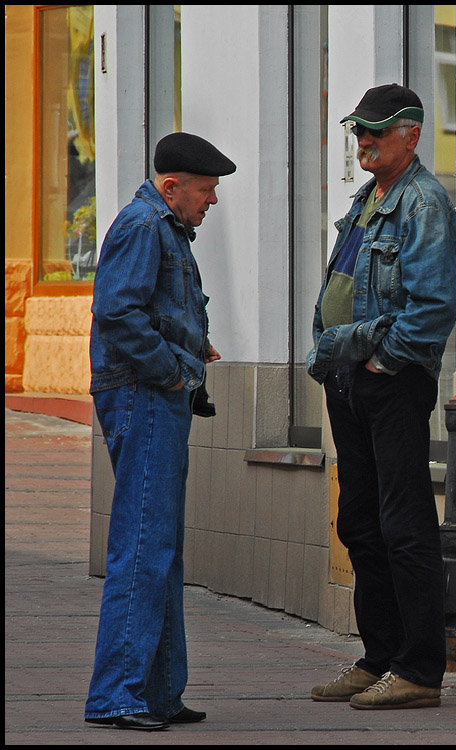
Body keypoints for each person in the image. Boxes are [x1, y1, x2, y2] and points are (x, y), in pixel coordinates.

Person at [306, 84, 456, 709]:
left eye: (376, 131)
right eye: (358, 132)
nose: (364, 141)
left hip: (388, 381)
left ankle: (419, 669)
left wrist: (380, 360)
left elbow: (433, 307)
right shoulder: (368, 199)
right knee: (361, 522)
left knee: (404, 524)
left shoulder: (423, 202)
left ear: (411, 135)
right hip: (349, 379)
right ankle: (379, 658)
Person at [84, 132, 236, 730]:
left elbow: (148, 310)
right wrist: (173, 371)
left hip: (155, 395)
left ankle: (158, 692)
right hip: (144, 397)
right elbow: (117, 312)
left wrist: (193, 347)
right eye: (206, 190)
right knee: (145, 546)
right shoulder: (146, 225)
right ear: (172, 188)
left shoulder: (160, 225)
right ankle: (118, 696)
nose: (212, 201)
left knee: (160, 549)